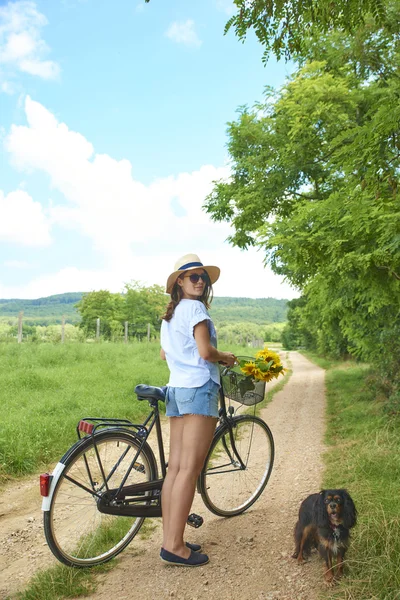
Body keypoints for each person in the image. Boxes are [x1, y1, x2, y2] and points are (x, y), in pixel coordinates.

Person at [159, 253, 236, 567]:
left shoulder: (172, 314)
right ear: (180, 281)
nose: (200, 281)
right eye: (193, 276)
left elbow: (166, 355)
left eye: (203, 276)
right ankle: (175, 547)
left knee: (175, 469)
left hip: (176, 389)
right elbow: (205, 352)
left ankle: (170, 540)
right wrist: (225, 356)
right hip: (198, 388)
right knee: (189, 470)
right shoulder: (196, 309)